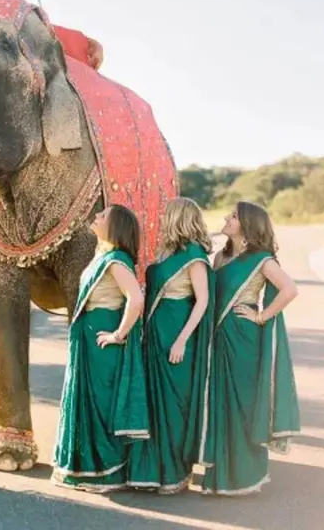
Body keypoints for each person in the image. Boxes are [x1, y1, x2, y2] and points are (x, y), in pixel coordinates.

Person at [201, 201, 300, 496]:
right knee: (219, 402)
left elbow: (290, 290)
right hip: (218, 337)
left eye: (232, 215)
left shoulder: (262, 260)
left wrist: (261, 316)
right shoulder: (220, 257)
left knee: (242, 405)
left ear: (246, 224)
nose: (226, 218)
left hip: (244, 339)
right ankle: (220, 475)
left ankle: (246, 475)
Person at [52, 204, 149, 492]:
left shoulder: (116, 260)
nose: (95, 217)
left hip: (103, 338)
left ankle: (106, 471)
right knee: (87, 399)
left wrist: (119, 334)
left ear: (115, 226)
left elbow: (136, 299)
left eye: (103, 216)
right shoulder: (102, 256)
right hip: (89, 336)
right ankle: (87, 468)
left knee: (101, 403)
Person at [127, 197, 215, 494]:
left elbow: (202, 301)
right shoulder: (165, 251)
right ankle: (152, 470)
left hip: (177, 335)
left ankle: (176, 473)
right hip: (155, 333)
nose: (161, 218)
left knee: (174, 405)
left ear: (179, 218)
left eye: (167, 214)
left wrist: (181, 339)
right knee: (154, 402)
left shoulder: (194, 255)